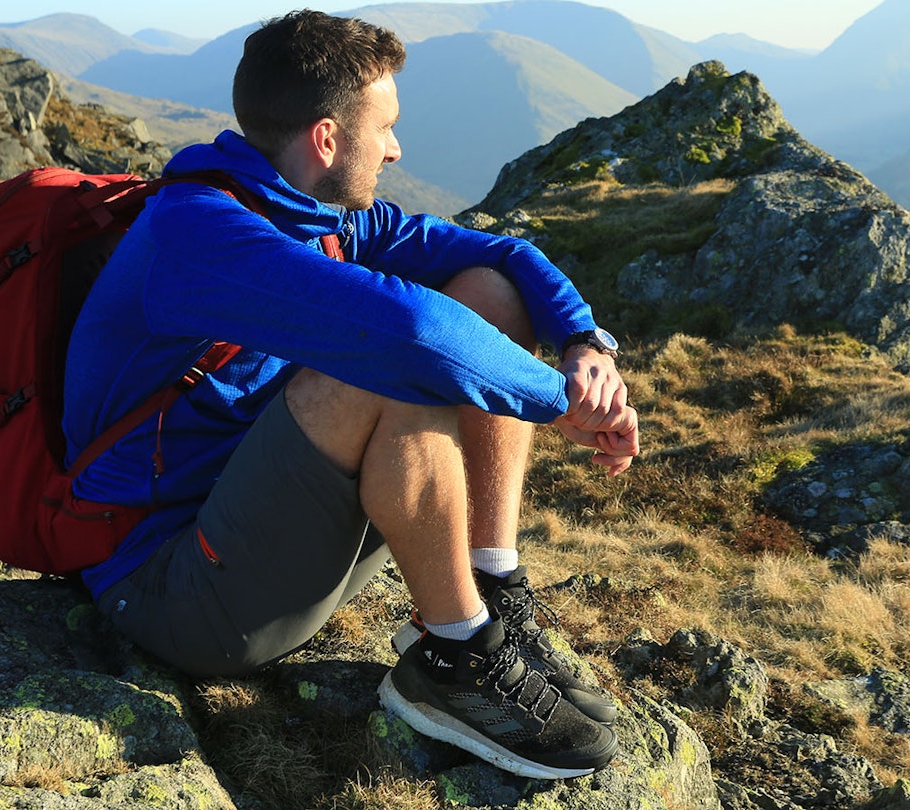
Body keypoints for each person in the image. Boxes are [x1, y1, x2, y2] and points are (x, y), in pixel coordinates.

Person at [61, 11, 638, 780]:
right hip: (174, 593)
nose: (397, 148)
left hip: (266, 537)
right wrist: (558, 401)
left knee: (487, 293)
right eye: (386, 128)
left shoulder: (317, 214)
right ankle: (456, 656)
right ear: (328, 140)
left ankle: (491, 592)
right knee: (383, 355)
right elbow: (410, 332)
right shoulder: (197, 234)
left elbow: (504, 254)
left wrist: (584, 344)